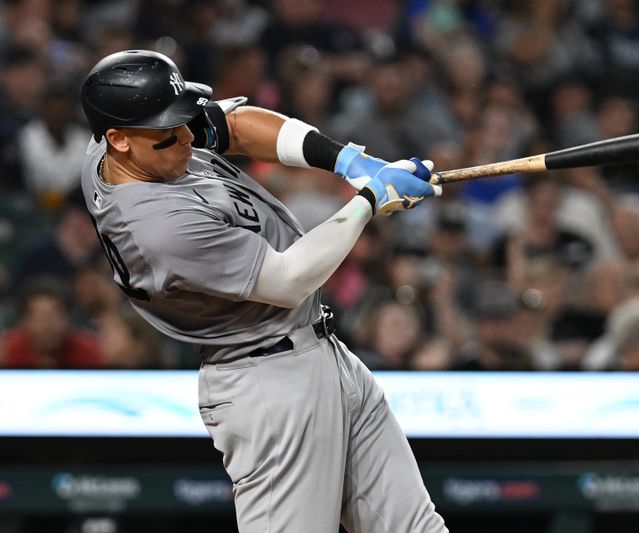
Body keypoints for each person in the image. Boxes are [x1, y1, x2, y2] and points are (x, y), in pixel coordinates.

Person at [79, 50, 446, 533]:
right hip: (267, 383)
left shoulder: (132, 147)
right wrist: (370, 199)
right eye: (170, 131)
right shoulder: (156, 228)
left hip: (320, 353)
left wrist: (351, 161)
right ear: (118, 140)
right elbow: (290, 279)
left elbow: (234, 124)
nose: (189, 137)